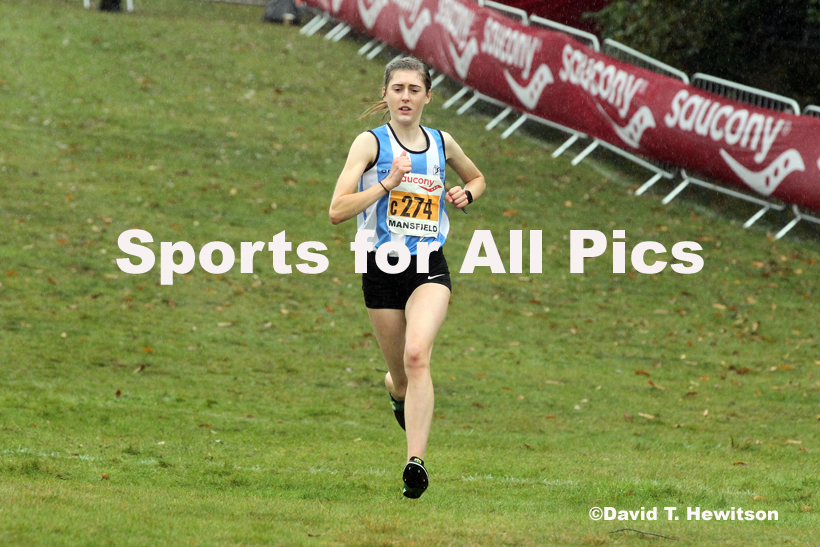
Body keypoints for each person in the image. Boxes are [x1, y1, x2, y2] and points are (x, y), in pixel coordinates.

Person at [328, 57, 485, 498]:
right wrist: (386, 183)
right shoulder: (369, 144)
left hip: (428, 264)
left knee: (418, 355)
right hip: (381, 266)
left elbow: (477, 177)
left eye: (414, 90)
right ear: (385, 95)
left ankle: (415, 463)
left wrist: (465, 192)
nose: (405, 97)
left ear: (428, 97)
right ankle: (397, 395)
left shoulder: (441, 142)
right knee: (400, 374)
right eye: (397, 89)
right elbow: (337, 211)